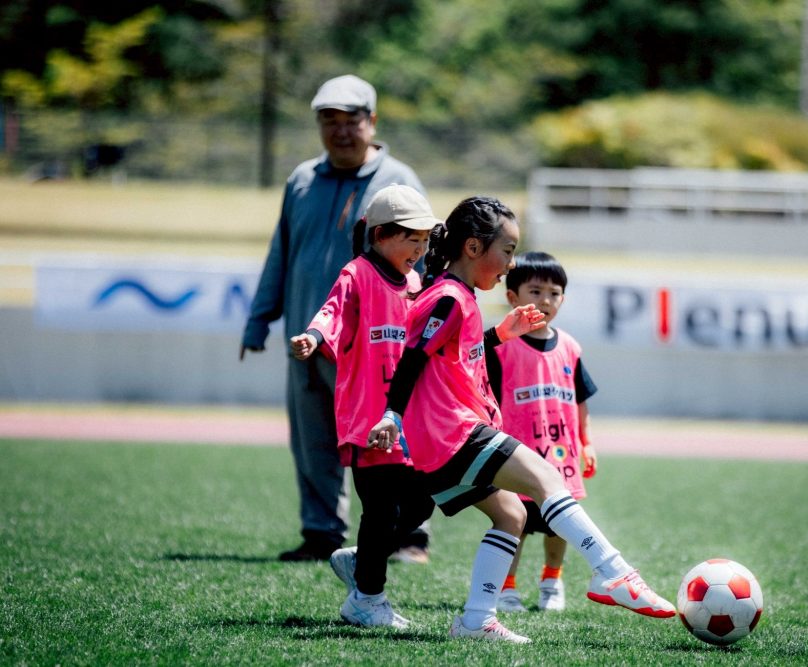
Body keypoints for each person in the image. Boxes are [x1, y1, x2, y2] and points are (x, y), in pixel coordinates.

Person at [368, 197, 675, 644]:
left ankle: (476, 620)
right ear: (473, 248)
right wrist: (392, 413)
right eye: (507, 251)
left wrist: (499, 334)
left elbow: (450, 356)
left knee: (511, 515)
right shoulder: (450, 297)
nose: (511, 264)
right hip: (450, 433)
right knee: (548, 477)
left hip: (441, 439)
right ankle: (613, 572)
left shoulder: (459, 297)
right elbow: (413, 358)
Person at [241, 74, 430, 562]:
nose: (341, 132)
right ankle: (322, 532)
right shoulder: (301, 180)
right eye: (330, 121)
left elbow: (423, 264)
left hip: (378, 348)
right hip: (308, 337)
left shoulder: (399, 181)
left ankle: (408, 535)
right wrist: (259, 320)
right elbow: (282, 252)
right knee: (313, 441)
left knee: (389, 441)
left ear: (373, 122)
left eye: (352, 121)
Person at [290, 184, 439, 628]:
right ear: (380, 235)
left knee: (420, 505)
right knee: (382, 509)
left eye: (425, 239)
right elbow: (333, 312)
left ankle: (363, 557)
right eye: (411, 238)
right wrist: (314, 337)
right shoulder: (357, 274)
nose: (420, 248)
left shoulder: (415, 282)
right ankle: (367, 601)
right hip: (368, 419)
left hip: (406, 419)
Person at [486, 251, 598, 614]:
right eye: (535, 291)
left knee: (558, 525)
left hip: (561, 454)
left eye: (554, 292)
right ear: (513, 297)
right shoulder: (502, 348)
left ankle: (552, 581)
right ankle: (506, 587)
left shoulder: (570, 347)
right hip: (518, 454)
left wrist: (587, 441)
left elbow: (580, 400)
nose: (545, 300)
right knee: (513, 521)